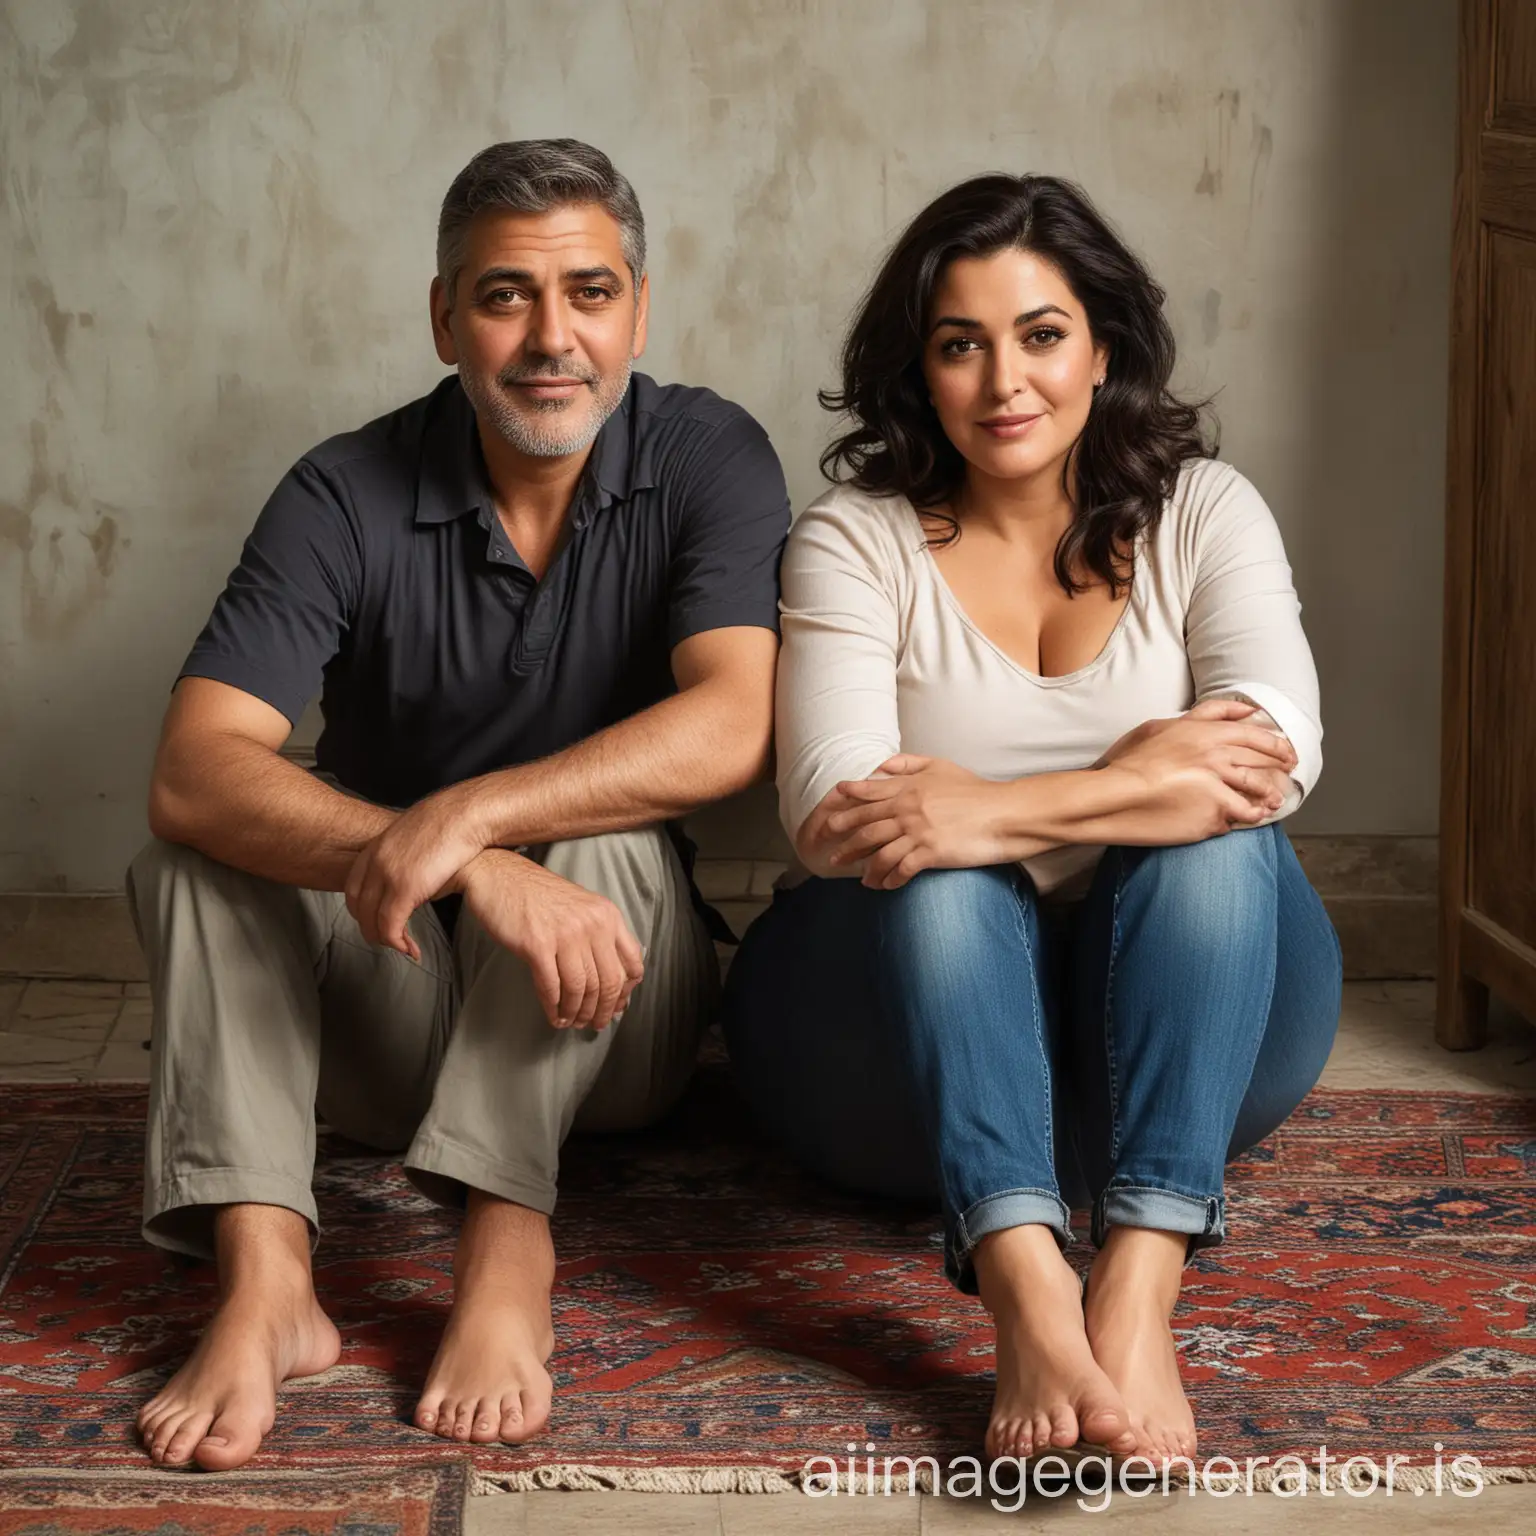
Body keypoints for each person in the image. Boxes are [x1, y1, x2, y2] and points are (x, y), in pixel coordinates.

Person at [126, 138, 790, 1470]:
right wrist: (447, 853)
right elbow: (194, 766)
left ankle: (504, 1244)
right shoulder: (343, 489)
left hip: (605, 1013)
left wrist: (472, 813)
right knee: (193, 857)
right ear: (444, 317)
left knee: (601, 833)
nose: (553, 338)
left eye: (589, 294)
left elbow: (734, 721)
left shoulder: (709, 454)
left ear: (638, 310)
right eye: (504, 297)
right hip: (392, 1007)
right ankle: (268, 1284)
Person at [721, 173, 1342, 1466]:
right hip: (903, 1064)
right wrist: (1134, 776)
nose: (1007, 380)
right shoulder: (855, 539)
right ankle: (1021, 1286)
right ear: (920, 368)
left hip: (1181, 1055)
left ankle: (1137, 1282)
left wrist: (987, 803)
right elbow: (834, 819)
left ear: (1103, 346)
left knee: (1216, 837)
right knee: (928, 868)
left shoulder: (1205, 512)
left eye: (1042, 334)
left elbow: (1273, 763)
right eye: (962, 344)